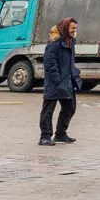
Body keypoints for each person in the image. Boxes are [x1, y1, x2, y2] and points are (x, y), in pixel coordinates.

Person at [39, 17, 81, 145]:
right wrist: (56, 79)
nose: (74, 31)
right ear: (65, 28)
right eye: (72, 28)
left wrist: (75, 75)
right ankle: (45, 137)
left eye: (75, 28)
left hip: (67, 82)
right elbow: (50, 65)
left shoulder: (71, 42)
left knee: (70, 108)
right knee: (48, 111)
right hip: (55, 83)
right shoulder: (53, 45)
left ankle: (61, 134)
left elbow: (70, 62)